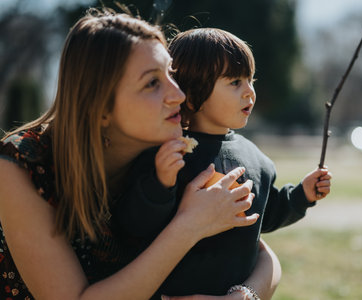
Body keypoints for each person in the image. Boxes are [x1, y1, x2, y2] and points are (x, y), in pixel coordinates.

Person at [0, 10, 282, 300]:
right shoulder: (22, 163)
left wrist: (245, 296)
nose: (179, 95)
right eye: (151, 83)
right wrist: (188, 226)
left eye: (170, 75)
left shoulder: (171, 152)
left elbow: (260, 250)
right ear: (100, 109)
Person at [115, 28, 332, 298]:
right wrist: (161, 183)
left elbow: (265, 214)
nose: (249, 93)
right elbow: (135, 225)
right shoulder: (169, 153)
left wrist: (301, 195)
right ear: (192, 95)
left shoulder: (256, 158)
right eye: (235, 82)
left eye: (251, 80)